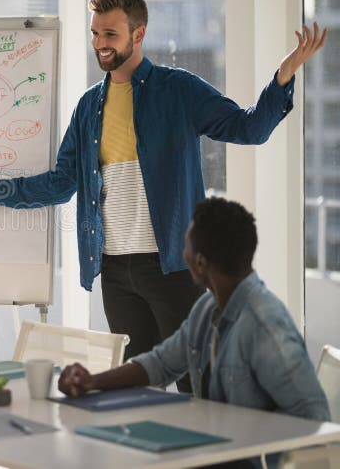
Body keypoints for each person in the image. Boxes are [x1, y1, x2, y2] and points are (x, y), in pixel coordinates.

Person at [0, 0, 327, 390]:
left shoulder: (178, 90)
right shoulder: (87, 107)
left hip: (174, 268)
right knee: (134, 389)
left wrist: (283, 76)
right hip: (115, 270)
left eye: (110, 34)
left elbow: (248, 128)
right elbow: (61, 185)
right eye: (95, 34)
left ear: (138, 34)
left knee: (199, 388)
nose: (100, 44)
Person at [57, 198, 330, 468]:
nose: (181, 253)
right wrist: (92, 382)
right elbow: (161, 364)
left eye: (184, 245)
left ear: (200, 263)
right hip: (216, 452)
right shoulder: (208, 308)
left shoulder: (265, 327)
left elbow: (314, 419)